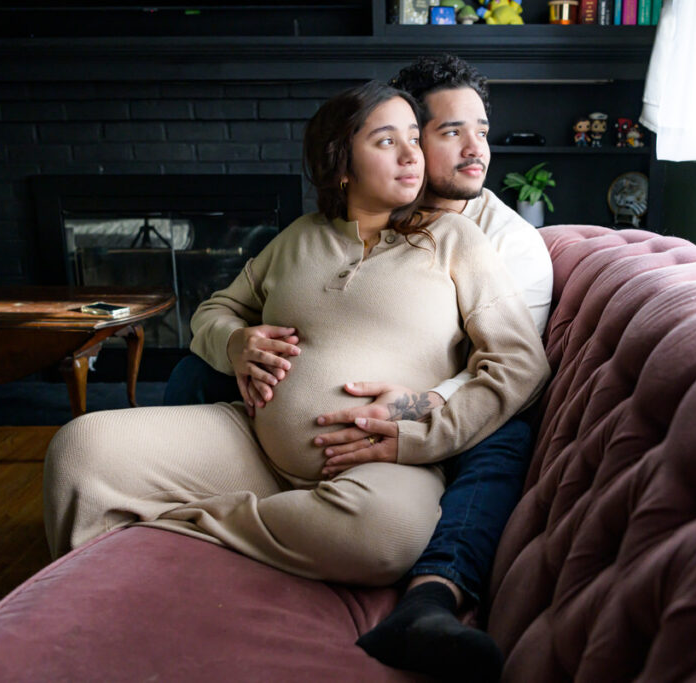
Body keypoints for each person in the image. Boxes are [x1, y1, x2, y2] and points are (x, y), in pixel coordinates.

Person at [43, 80, 549, 608]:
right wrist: (235, 343)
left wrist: (417, 439)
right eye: (385, 141)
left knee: (386, 536)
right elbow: (216, 309)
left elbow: (519, 363)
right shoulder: (298, 237)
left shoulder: (456, 240)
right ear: (342, 164)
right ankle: (103, 597)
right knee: (81, 450)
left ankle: (176, 524)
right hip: (249, 448)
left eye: (413, 139)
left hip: (380, 465)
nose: (410, 156)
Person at [162, 55, 554, 681]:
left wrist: (407, 412)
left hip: (434, 422)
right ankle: (220, 478)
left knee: (505, 438)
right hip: (290, 428)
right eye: (450, 131)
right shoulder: (324, 227)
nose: (474, 148)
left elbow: (508, 371)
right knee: (188, 375)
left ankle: (435, 593)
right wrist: (236, 344)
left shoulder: (503, 245)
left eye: (481, 129)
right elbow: (227, 306)